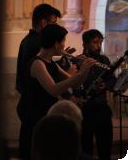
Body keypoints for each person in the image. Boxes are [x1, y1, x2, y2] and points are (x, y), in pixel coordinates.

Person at [17, 24, 96, 160]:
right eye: (63, 41)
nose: (64, 45)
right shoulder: (38, 64)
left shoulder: (52, 63)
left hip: (47, 116)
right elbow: (53, 90)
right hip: (35, 118)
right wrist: (81, 73)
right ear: (56, 43)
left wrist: (85, 70)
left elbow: (75, 83)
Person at [79, 29, 116, 160]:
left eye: (100, 42)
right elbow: (75, 83)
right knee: (86, 148)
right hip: (85, 110)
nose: (98, 46)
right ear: (85, 44)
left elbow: (112, 80)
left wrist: (105, 85)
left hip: (102, 109)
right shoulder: (79, 61)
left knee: (105, 148)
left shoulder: (104, 59)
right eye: (95, 42)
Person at [16, 3, 61, 94]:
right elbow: (47, 79)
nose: (55, 27)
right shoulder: (38, 43)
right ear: (44, 23)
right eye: (53, 23)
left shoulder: (28, 40)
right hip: (34, 102)